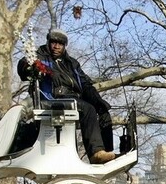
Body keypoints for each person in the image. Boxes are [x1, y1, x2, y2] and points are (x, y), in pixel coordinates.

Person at [17, 28, 115, 164]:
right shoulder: (40, 56)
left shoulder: (72, 64)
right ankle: (95, 152)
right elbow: (24, 66)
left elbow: (85, 84)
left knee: (102, 112)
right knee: (88, 110)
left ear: (64, 46)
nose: (56, 46)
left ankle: (107, 153)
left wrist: (99, 103)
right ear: (48, 42)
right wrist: (36, 68)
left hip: (73, 98)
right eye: (54, 42)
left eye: (60, 43)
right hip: (52, 98)